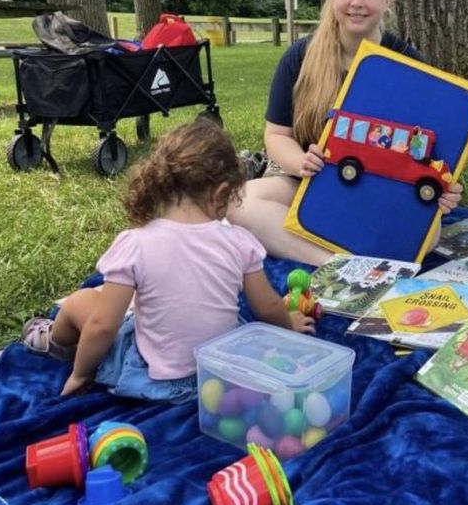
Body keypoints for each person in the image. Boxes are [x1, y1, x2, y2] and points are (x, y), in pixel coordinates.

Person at [21, 120, 316, 402]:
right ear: (222, 192)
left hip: (153, 379)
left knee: (81, 301)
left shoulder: (136, 243)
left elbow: (102, 326)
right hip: (218, 374)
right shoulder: (240, 241)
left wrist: (80, 374)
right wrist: (288, 324)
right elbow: (267, 306)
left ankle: (55, 342)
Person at [228, 0, 462, 265]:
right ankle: (336, 263)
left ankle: (346, 246)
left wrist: (447, 187)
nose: (356, 3)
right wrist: (300, 162)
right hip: (308, 180)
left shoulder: (411, 65)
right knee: (239, 203)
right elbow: (276, 134)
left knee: (429, 236)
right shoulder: (300, 56)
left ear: (388, 0)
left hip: (381, 186)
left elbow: (437, 152)